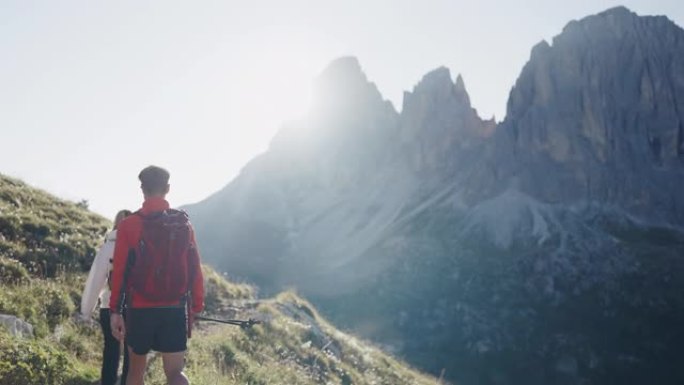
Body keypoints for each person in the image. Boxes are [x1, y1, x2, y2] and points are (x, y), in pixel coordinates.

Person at [109, 166, 204, 385]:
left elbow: (121, 271)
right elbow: (195, 268)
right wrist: (196, 306)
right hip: (174, 308)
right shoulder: (183, 224)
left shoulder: (129, 225)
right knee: (175, 374)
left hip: (140, 308)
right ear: (167, 189)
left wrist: (115, 310)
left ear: (142, 189)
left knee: (135, 373)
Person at [80, 209, 132, 385]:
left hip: (108, 307)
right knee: (131, 354)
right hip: (133, 307)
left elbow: (95, 280)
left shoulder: (108, 246)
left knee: (111, 350)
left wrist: (86, 311)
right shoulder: (138, 245)